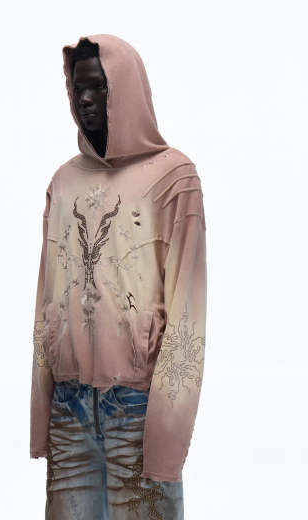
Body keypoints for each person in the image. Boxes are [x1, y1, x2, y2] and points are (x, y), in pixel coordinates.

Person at [30, 33, 207, 519]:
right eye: (77, 87)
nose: (85, 98)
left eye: (99, 86)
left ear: (125, 87)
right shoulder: (63, 182)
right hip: (68, 409)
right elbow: (47, 300)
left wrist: (167, 436)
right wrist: (41, 414)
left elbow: (188, 310)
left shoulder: (173, 178)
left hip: (137, 408)